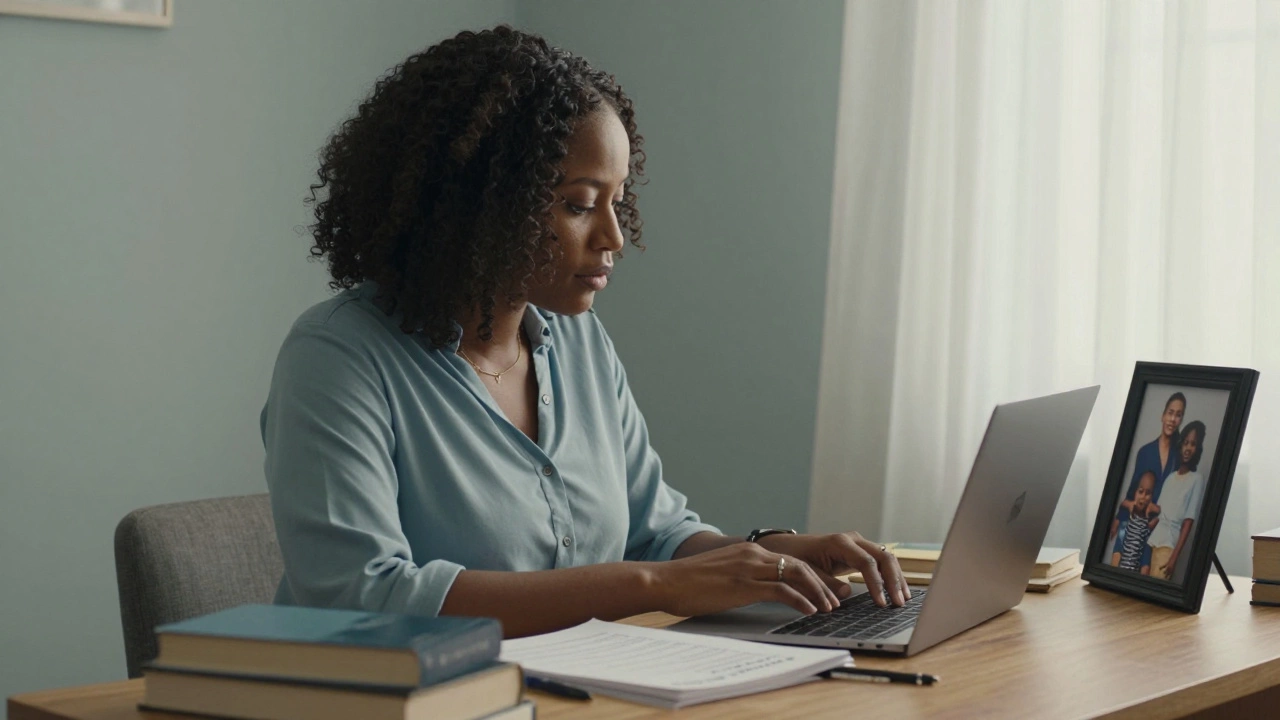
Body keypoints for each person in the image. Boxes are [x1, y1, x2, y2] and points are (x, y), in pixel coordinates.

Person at [260, 26, 908, 639]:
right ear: (477, 205)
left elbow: (657, 532)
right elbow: (361, 596)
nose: (614, 238)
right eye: (577, 204)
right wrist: (657, 585)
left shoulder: (578, 343)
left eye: (617, 201)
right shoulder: (338, 359)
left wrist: (770, 556)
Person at [1109, 392, 1185, 554]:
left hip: (1161, 529)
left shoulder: (1179, 458)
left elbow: (1177, 500)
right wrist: (1119, 517)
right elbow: (1133, 490)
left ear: (1181, 420)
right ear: (1163, 415)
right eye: (1170, 413)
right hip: (1136, 522)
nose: (1173, 419)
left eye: (1178, 415)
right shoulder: (1145, 452)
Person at [1147, 420, 1208, 582]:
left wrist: (1174, 558)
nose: (1188, 448)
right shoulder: (1170, 478)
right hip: (1151, 542)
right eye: (1186, 443)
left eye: (1193, 444)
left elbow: (1188, 522)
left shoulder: (1196, 479)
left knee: (1155, 592)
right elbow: (1158, 516)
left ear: (1197, 449)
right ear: (1180, 446)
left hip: (1168, 546)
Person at [1109, 471, 1160, 573]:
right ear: (1135, 492)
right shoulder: (1124, 526)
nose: (1143, 496)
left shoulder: (1148, 530)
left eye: (1148, 493)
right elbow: (1117, 554)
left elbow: (1145, 565)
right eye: (1140, 491)